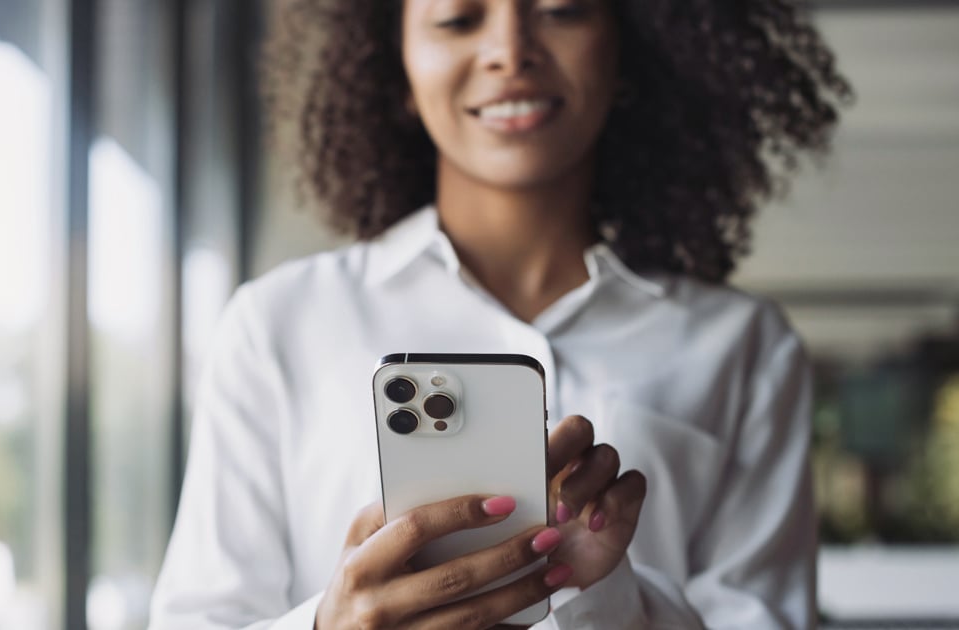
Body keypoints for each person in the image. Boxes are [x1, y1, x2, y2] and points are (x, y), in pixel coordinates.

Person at [151, 0, 851, 627]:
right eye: (458, 19)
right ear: (394, 60)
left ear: (631, 44)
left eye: (562, 9)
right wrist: (327, 626)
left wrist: (606, 597)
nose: (509, 50)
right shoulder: (278, 324)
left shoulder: (744, 346)